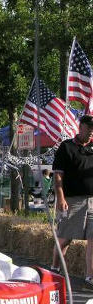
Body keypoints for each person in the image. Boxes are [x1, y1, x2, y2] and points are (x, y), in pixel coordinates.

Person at [52, 114, 93, 286]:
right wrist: (60, 197)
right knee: (65, 237)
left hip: (92, 200)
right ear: (80, 127)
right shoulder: (66, 147)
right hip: (72, 199)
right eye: (89, 128)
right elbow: (58, 175)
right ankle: (54, 268)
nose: (91, 131)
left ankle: (90, 276)